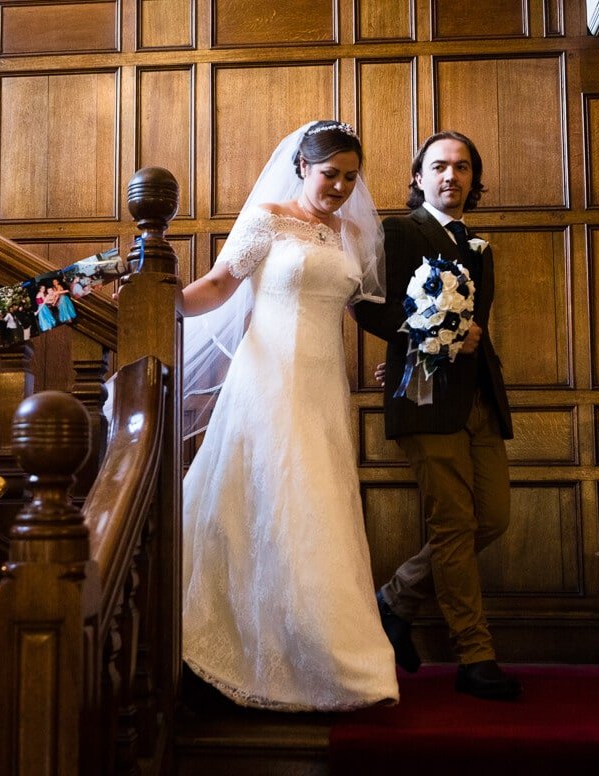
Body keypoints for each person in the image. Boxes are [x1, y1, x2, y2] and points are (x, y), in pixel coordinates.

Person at [180, 120, 397, 711]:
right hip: (269, 378)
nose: (341, 187)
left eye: (351, 177)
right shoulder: (268, 218)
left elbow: (370, 310)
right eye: (331, 175)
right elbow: (220, 285)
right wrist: (164, 299)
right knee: (263, 501)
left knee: (318, 507)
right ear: (303, 166)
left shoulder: (353, 232)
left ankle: (328, 655)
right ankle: (251, 651)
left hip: (326, 386)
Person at [354, 130, 519, 701]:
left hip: (480, 402)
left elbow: (480, 326)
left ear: (474, 179)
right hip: (425, 400)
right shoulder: (399, 232)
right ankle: (475, 657)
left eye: (464, 168)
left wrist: (465, 336)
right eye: (440, 167)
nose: (453, 176)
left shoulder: (479, 244)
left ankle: (395, 597)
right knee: (452, 527)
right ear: (420, 177)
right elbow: (368, 305)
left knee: (492, 518)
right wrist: (430, 332)